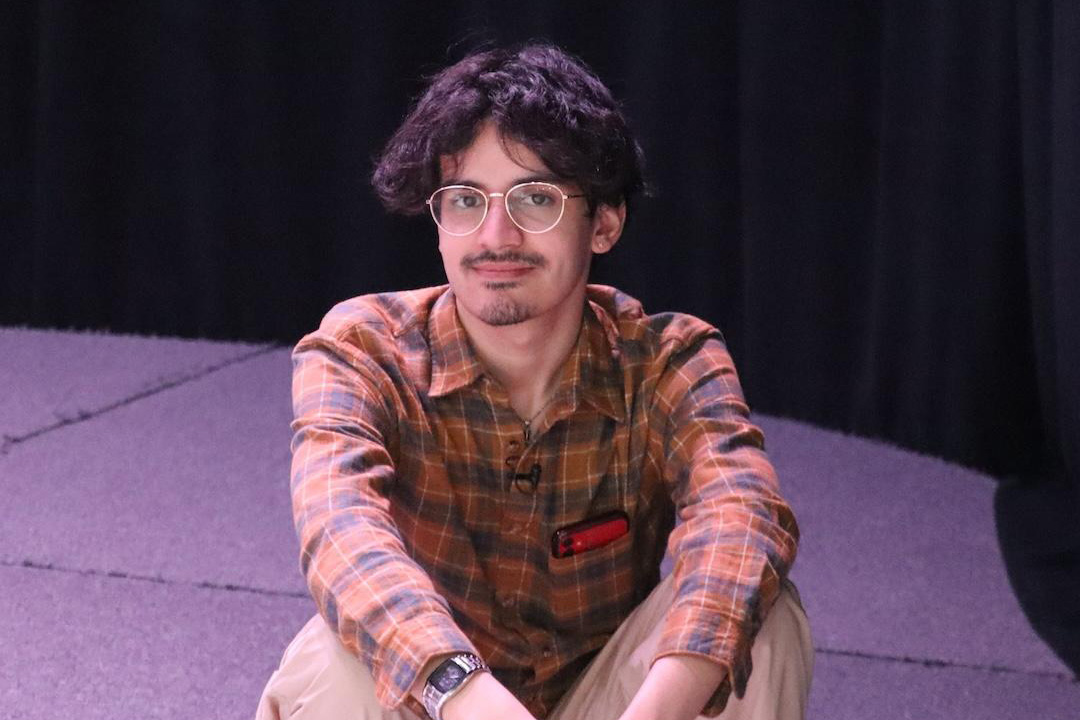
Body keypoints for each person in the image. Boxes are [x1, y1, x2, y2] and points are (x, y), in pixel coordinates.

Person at [256, 43, 812, 720]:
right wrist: (463, 695)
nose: (496, 235)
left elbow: (742, 518)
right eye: (464, 200)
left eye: (537, 198)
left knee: (764, 619)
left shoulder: (669, 360)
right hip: (448, 703)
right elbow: (340, 532)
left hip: (605, 704)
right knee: (335, 663)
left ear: (603, 222)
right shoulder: (362, 349)